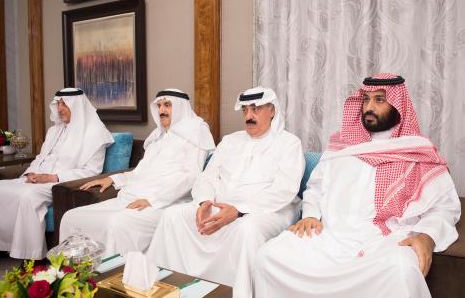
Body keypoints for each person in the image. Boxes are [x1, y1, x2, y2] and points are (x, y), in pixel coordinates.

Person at [253, 74, 461, 298]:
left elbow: (444, 207)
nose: (369, 107)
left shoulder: (418, 151)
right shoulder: (341, 146)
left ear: (398, 105)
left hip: (383, 244)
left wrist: (427, 236)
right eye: (366, 99)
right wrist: (311, 214)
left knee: (402, 269)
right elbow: (315, 187)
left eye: (379, 100)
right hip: (330, 240)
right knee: (268, 257)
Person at [147, 87, 305, 298]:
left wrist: (239, 210)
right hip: (219, 206)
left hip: (267, 212)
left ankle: (234, 293)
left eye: (255, 109)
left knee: (246, 230)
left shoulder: (289, 143)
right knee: (172, 216)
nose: (249, 116)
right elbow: (206, 178)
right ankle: (166, 288)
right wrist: (204, 202)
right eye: (245, 110)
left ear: (272, 110)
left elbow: (284, 190)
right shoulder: (231, 140)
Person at [59, 89, 215, 256]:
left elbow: (191, 177)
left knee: (115, 223)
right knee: (72, 216)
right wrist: (113, 179)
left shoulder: (195, 132)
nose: (161, 110)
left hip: (165, 204)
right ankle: (73, 278)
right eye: (159, 106)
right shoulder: (158, 137)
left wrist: (153, 200)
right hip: (131, 198)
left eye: (167, 105)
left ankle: (110, 278)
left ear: (180, 107)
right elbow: (141, 172)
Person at [0, 88, 114, 265]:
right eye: (58, 103)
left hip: (61, 183)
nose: (60, 108)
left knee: (27, 197)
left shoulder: (95, 134)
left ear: (77, 106)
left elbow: (91, 172)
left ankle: (31, 257)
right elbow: (41, 158)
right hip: (35, 179)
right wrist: (30, 174)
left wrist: (51, 177)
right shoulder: (54, 131)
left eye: (64, 104)